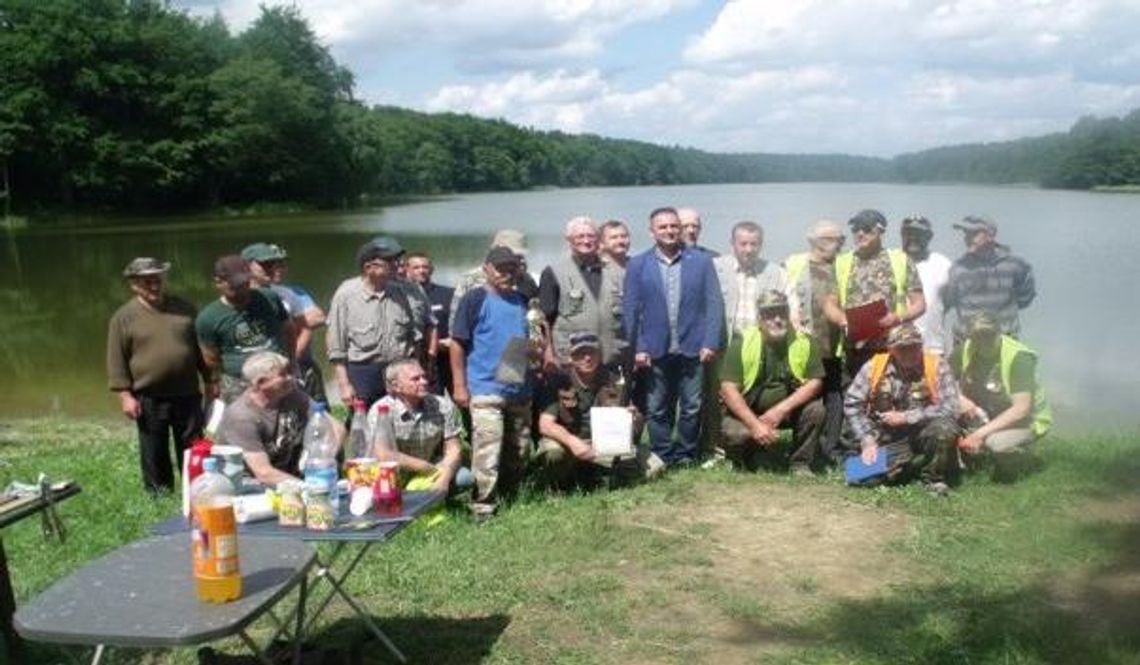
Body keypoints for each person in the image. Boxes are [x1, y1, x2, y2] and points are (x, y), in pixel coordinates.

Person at [623, 206, 725, 467]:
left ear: (679, 228)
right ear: (652, 231)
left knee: (692, 406)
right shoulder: (638, 264)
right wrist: (638, 347)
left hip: (693, 347)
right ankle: (662, 453)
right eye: (663, 227)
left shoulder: (701, 262)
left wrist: (710, 341)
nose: (669, 231)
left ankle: (685, 454)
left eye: (673, 226)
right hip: (655, 349)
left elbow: (714, 304)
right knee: (656, 406)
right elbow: (631, 310)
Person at [106, 257, 209, 493]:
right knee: (154, 449)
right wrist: (125, 396)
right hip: (149, 396)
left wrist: (210, 379)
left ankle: (197, 488)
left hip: (187, 392)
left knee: (192, 446)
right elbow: (116, 359)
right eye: (147, 281)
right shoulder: (123, 317)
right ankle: (158, 494)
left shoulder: (184, 309)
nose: (154, 285)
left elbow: (200, 349)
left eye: (157, 280)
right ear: (134, 284)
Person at [450, 246, 538, 519]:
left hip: (517, 386)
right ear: (487, 269)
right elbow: (457, 343)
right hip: (484, 387)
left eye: (512, 268)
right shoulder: (475, 299)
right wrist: (459, 385)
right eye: (500, 268)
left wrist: (536, 352)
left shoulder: (522, 300)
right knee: (488, 450)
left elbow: (525, 340)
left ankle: (511, 496)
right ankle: (483, 505)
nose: (506, 274)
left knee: (519, 449)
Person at [534, 332, 663, 490]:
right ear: (571, 357)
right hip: (568, 444)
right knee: (553, 453)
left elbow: (632, 429)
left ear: (600, 355)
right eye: (581, 353)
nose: (587, 358)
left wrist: (633, 419)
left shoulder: (614, 380)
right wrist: (574, 443)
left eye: (592, 352)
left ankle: (593, 478)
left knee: (655, 467)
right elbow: (546, 425)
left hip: (603, 446)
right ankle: (558, 486)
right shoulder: (558, 382)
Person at [843, 324, 960, 494]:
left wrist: (907, 417)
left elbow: (951, 407)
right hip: (886, 438)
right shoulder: (873, 367)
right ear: (891, 349)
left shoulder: (937, 365)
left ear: (921, 346)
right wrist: (867, 440)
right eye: (902, 348)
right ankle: (911, 465)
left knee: (944, 428)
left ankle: (933, 479)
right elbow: (852, 405)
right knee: (857, 474)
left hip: (923, 435)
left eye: (914, 347)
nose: (909, 353)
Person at [718, 291, 826, 474]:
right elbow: (728, 389)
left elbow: (815, 383)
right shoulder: (742, 342)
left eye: (782, 312)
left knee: (816, 410)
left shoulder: (804, 341)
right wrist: (755, 425)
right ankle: (746, 457)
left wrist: (779, 411)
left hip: (786, 412)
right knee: (735, 433)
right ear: (759, 318)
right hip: (749, 412)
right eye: (769, 314)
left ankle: (800, 463)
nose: (777, 319)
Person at [326, 238, 431, 408]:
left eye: (396, 260)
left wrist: (417, 368)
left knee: (403, 416)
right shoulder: (346, 294)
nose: (398, 265)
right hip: (364, 372)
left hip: (399, 369)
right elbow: (336, 345)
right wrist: (344, 385)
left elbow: (415, 337)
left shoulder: (403, 292)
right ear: (369, 267)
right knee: (364, 420)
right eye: (390, 261)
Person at [215, 352, 342, 486]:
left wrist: (322, 460)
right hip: (248, 486)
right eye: (283, 375)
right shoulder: (241, 417)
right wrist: (310, 488)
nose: (290, 378)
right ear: (261, 383)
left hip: (289, 479)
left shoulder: (291, 394)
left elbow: (337, 428)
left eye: (289, 372)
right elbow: (263, 473)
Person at [825, 209, 925, 375]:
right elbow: (829, 304)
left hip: (893, 348)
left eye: (866, 228)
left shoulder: (900, 259)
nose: (860, 233)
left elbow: (920, 304)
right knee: (855, 391)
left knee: (890, 390)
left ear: (881, 231)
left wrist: (897, 318)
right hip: (855, 351)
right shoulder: (841, 262)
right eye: (855, 229)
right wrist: (843, 320)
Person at [950, 313, 1052, 475]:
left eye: (988, 335)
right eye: (978, 336)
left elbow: (1021, 409)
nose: (984, 341)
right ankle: (973, 458)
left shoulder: (1019, 357)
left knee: (996, 444)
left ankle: (1023, 462)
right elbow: (940, 381)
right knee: (944, 426)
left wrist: (979, 435)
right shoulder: (964, 350)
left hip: (1023, 421)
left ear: (999, 332)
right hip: (983, 414)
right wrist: (959, 398)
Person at [783, 219, 845, 461]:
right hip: (802, 347)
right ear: (813, 240)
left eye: (841, 239)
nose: (838, 244)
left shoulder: (843, 266)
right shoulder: (793, 264)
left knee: (834, 397)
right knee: (806, 397)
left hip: (834, 347)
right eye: (832, 239)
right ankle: (803, 448)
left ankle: (830, 449)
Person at [195, 254, 292, 402]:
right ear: (218, 282)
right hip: (238, 384)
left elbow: (288, 329)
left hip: (278, 375)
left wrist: (292, 362)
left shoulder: (269, 298)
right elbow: (211, 359)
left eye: (245, 282)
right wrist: (215, 382)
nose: (242, 288)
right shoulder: (208, 318)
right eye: (236, 284)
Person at [367, 359, 467, 496]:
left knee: (464, 478)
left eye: (424, 376)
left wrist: (445, 476)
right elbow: (383, 454)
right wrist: (422, 466)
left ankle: (439, 497)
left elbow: (454, 449)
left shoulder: (442, 405)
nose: (424, 382)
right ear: (396, 386)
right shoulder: (381, 410)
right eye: (416, 379)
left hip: (432, 469)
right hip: (396, 471)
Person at [539, 216, 627, 372]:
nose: (586, 241)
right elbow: (546, 319)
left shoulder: (617, 272)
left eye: (590, 236)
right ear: (569, 240)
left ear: (598, 240)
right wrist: (548, 352)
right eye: (580, 237)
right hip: (571, 359)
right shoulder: (553, 272)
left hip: (611, 357)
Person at [241, 242, 327, 401]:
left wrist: (291, 359)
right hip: (257, 369)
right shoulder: (237, 298)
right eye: (268, 264)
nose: (276, 268)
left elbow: (313, 322)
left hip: (293, 364)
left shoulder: (289, 293)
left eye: (279, 264)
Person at [944, 215, 1037, 341]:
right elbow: (949, 301)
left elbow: (1025, 297)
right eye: (966, 233)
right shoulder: (958, 268)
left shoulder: (1016, 265)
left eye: (974, 234)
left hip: (1005, 341)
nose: (968, 238)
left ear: (990, 235)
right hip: (967, 342)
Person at [449, 229, 539, 334]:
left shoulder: (527, 280)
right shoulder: (470, 279)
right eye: (513, 254)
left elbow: (534, 316)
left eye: (520, 256)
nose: (516, 260)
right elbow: (455, 321)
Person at [899, 216, 953, 355]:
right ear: (901, 235)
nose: (913, 237)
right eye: (908, 233)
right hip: (897, 348)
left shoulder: (943, 264)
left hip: (933, 347)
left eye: (918, 234)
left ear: (929, 237)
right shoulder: (891, 262)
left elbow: (949, 301)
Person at [404, 251, 455, 394]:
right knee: (430, 400)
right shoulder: (402, 296)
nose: (421, 271)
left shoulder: (449, 293)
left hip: (449, 357)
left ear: (431, 269)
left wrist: (452, 341)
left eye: (425, 267)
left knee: (463, 400)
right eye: (416, 267)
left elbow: (460, 323)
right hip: (422, 361)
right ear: (407, 269)